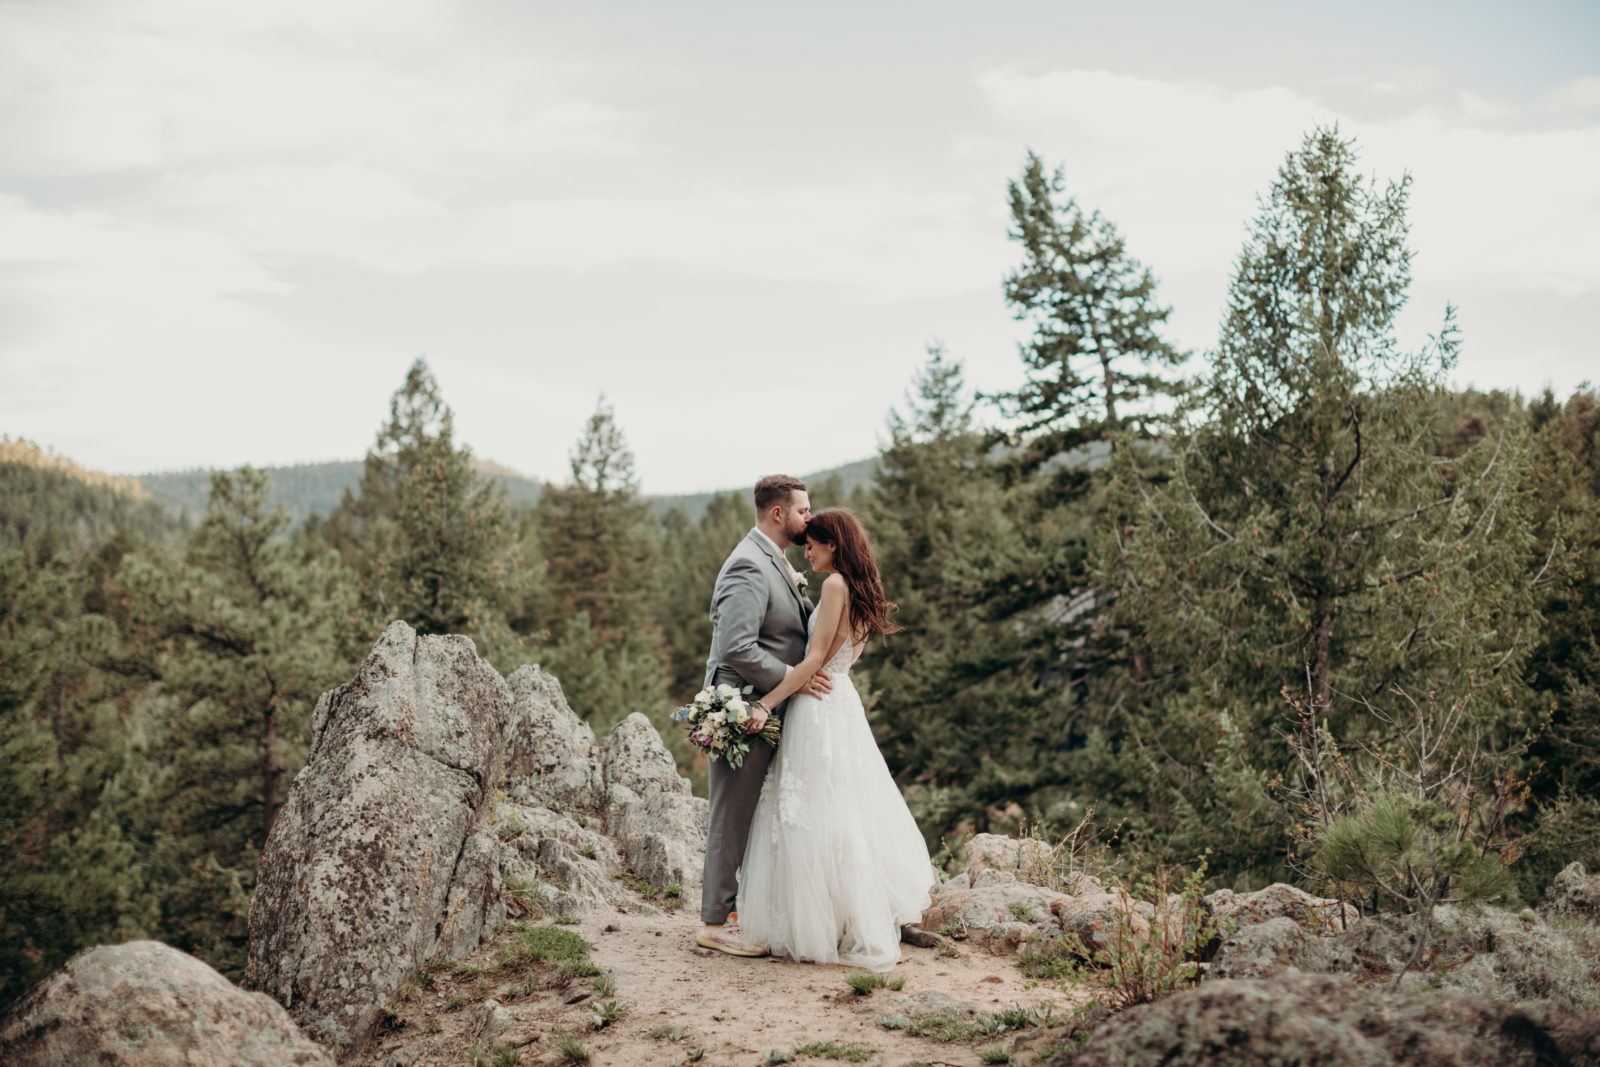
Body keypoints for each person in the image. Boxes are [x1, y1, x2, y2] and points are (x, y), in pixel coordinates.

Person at [735, 508, 936, 971]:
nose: (807, 553)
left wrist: (765, 704)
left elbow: (814, 661)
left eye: (813, 545)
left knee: (808, 811)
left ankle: (816, 924)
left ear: (834, 545)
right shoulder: (863, 590)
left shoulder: (833, 585)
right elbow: (838, 660)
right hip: (842, 700)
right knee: (839, 808)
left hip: (818, 707)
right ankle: (844, 918)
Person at [697, 475, 833, 956]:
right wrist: (793, 675)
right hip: (743, 703)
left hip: (768, 702)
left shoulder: (775, 561)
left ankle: (740, 909)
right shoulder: (747, 566)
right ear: (778, 513)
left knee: (755, 812)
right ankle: (715, 922)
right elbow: (736, 646)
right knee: (730, 813)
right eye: (803, 511)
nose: (809, 519)